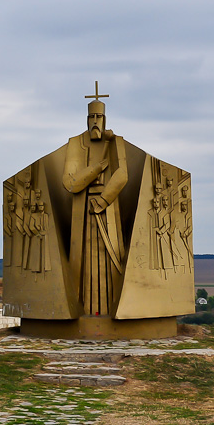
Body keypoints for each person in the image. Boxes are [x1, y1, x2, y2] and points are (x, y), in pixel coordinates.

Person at [61, 98, 128, 316]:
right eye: (92, 117)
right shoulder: (75, 143)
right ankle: (81, 310)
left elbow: (122, 175)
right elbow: (70, 183)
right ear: (87, 119)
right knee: (81, 266)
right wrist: (96, 169)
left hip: (107, 209)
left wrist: (104, 200)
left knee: (110, 261)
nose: (95, 122)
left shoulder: (115, 141)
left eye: (99, 117)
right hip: (82, 210)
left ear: (105, 118)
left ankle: (113, 310)